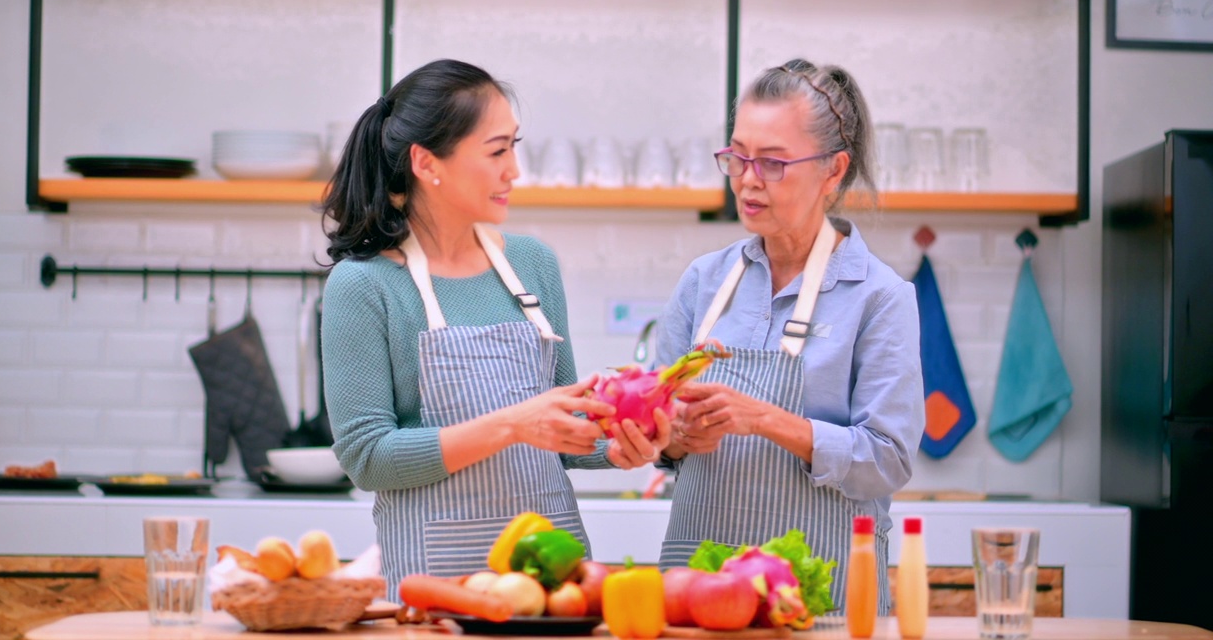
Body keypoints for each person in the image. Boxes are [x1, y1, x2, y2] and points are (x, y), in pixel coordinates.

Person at [319, 59, 669, 596]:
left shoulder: (532, 265)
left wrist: (624, 442)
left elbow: (565, 431)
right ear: (426, 163)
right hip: (435, 590)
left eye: (515, 147)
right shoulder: (363, 285)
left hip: (557, 586)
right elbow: (367, 458)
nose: (515, 170)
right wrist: (513, 424)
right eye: (497, 151)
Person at [654, 59, 925, 615]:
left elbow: (888, 459)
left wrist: (766, 420)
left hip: (822, 597)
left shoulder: (880, 296)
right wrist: (677, 434)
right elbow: (660, 436)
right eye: (738, 156)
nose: (748, 179)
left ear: (833, 170)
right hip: (697, 593)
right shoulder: (704, 282)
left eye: (774, 163)